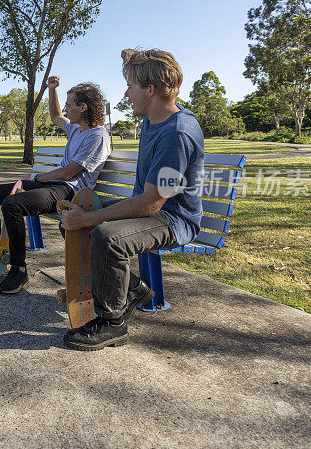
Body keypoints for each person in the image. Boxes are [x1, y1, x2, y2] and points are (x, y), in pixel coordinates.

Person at [59, 48, 204, 351]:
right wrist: (131, 61)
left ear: (150, 90)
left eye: (131, 86)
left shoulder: (177, 135)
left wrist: (90, 219)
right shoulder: (154, 118)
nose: (126, 94)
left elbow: (152, 203)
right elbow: (146, 200)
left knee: (107, 237)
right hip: (151, 205)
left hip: (173, 218)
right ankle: (133, 290)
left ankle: (113, 323)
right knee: (71, 224)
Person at [0, 76, 111, 295]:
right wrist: (52, 89)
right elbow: (56, 116)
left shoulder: (97, 136)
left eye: (70, 105)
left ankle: (19, 269)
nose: (66, 109)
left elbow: (68, 173)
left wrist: (38, 180)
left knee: (12, 204)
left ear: (83, 107)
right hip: (53, 185)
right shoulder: (76, 128)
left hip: (70, 191)